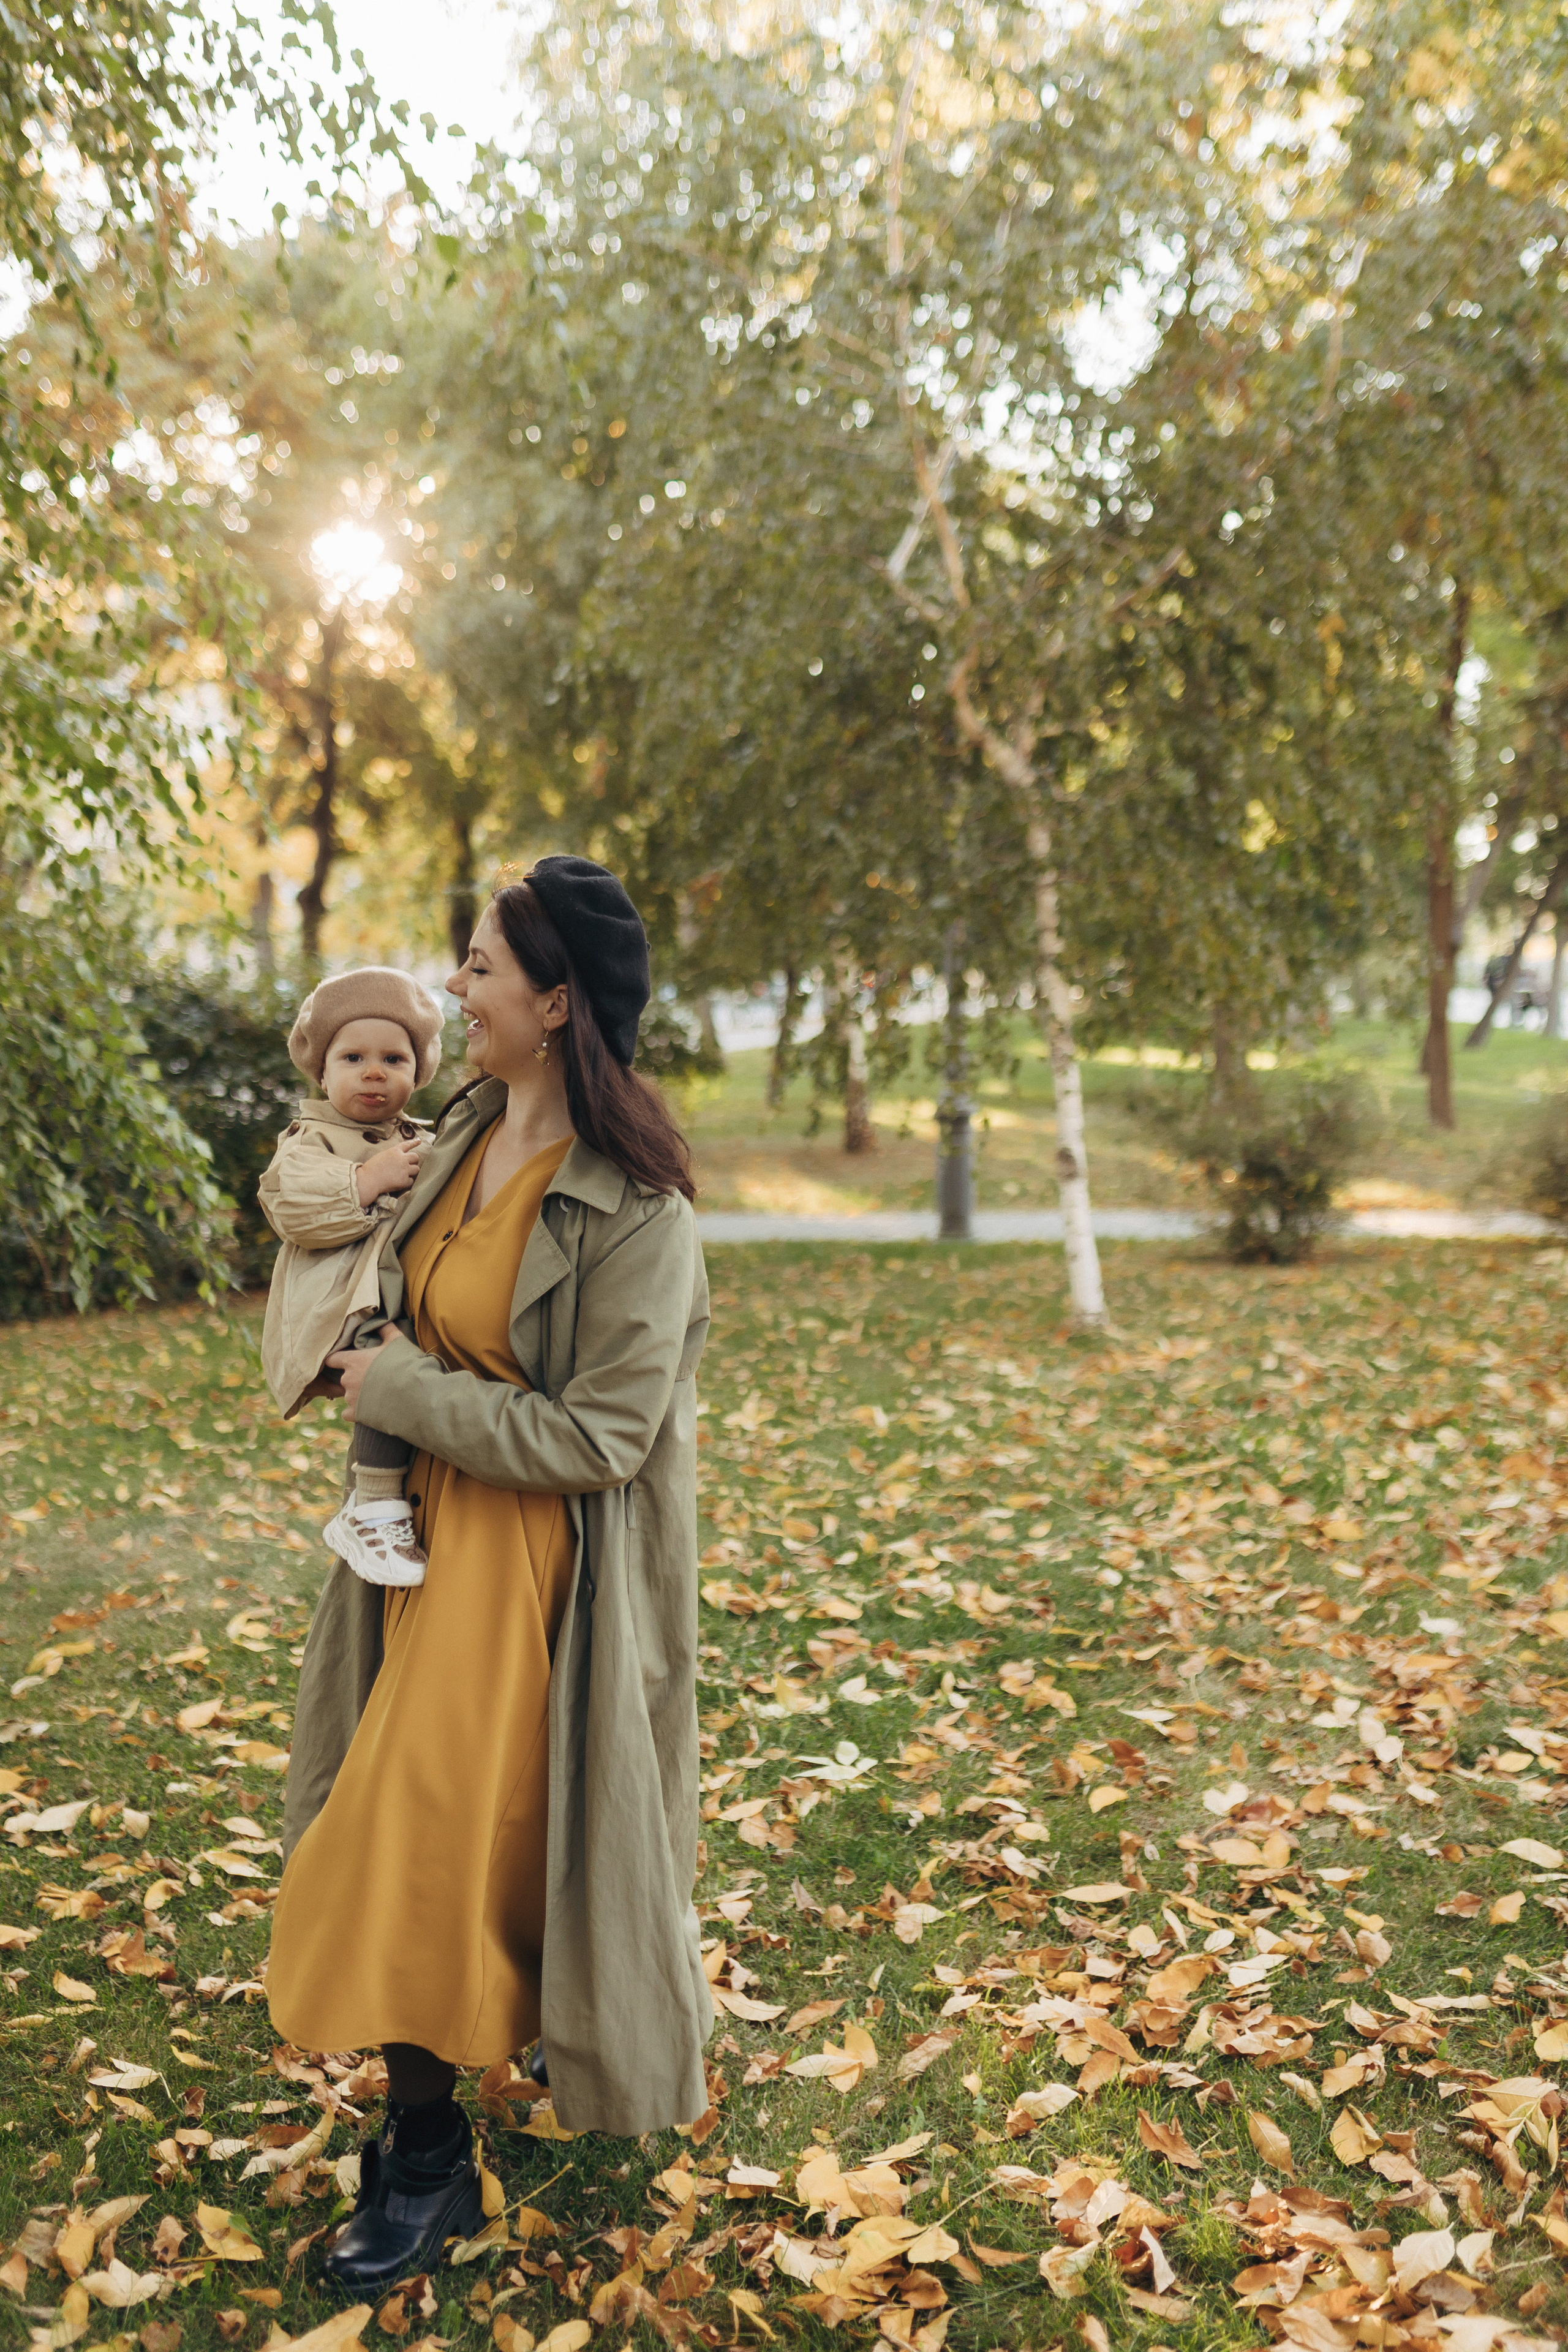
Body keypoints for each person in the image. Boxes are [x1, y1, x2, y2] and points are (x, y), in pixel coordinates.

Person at [266, 856, 713, 2292]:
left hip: (532, 1571)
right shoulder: (453, 1134)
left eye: (478, 968)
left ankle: (419, 2155)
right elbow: (339, 1238)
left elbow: (601, 1434)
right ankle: (424, 2125)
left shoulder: (638, 1213)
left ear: (554, 997)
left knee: (411, 1838)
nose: (455, 990)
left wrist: (400, 1387)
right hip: (410, 1540)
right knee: (411, 1833)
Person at [258, 969, 446, 1587]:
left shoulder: (426, 1139)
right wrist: (366, 1180)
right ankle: (372, 1504)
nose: (373, 1071)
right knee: (382, 1361)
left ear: (418, 1074)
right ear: (322, 1071)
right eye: (354, 1057)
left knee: (414, 1363)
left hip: (400, 1294)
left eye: (394, 1058)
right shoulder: (309, 1140)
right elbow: (293, 1207)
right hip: (340, 1305)